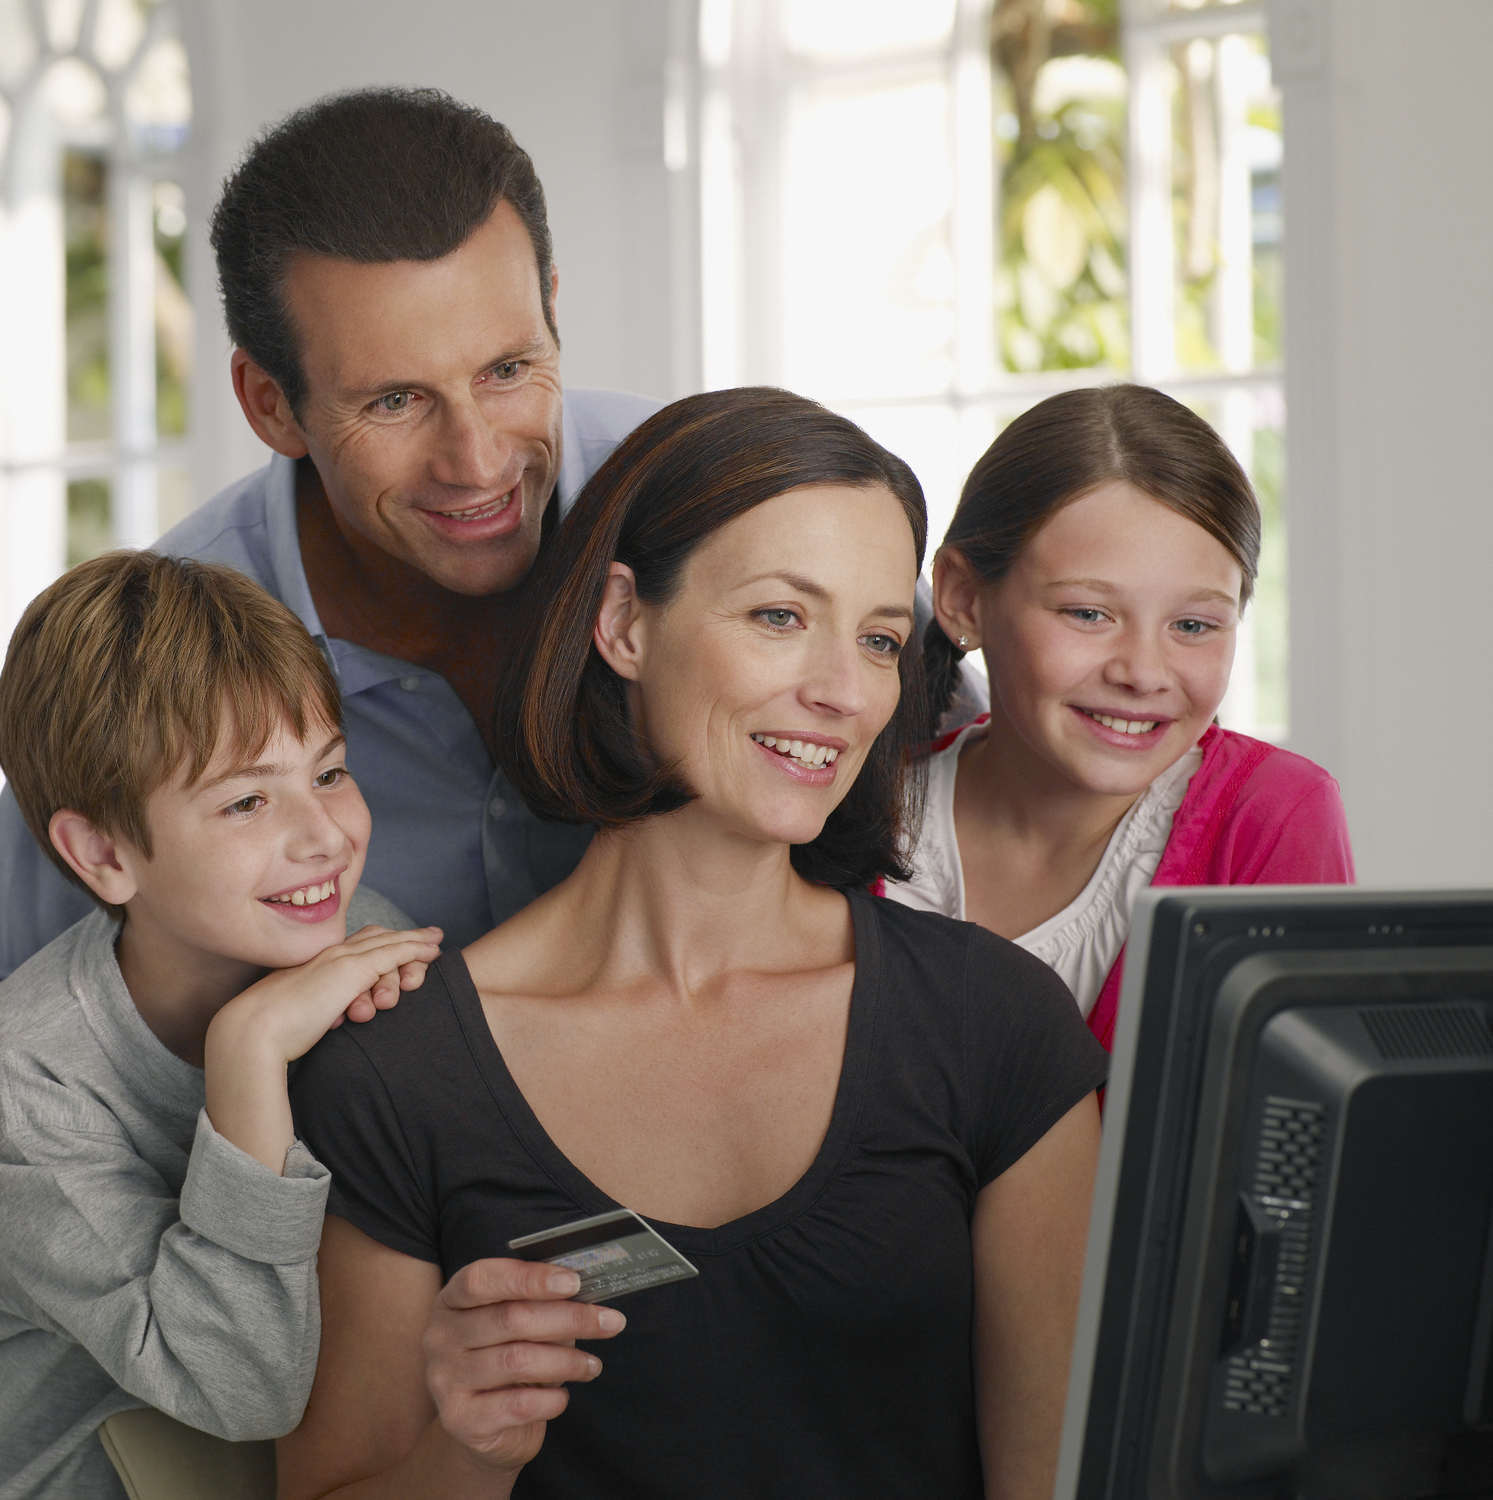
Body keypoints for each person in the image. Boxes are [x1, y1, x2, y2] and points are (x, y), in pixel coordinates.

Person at [0, 82, 993, 1278]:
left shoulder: (705, 506)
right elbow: (5, 1015)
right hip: (365, 1283)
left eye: (506, 369)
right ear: (269, 404)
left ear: (551, 317)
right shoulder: (173, 639)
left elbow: (958, 749)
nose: (477, 460)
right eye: (392, 401)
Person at [279, 388, 1107, 1499]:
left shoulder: (997, 1029)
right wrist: (462, 1452)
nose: (840, 693)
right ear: (622, 623)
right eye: (778, 616)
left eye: (878, 640)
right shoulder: (394, 1068)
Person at [0, 552, 441, 1496]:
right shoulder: (26, 1077)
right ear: (101, 853)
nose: (324, 835)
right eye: (247, 800)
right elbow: (241, 1387)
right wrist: (250, 1055)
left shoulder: (359, 934)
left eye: (331, 771)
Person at [891, 385, 1354, 1050]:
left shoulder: (1272, 816)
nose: (1141, 671)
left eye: (1192, 624)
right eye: (1087, 613)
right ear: (964, 598)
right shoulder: (859, 814)